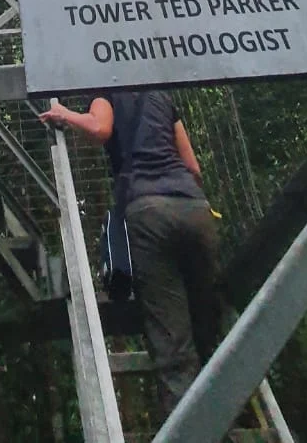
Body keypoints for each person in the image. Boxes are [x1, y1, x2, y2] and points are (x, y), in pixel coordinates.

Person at [40, 89, 220, 416]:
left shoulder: (105, 91)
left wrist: (65, 115)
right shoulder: (162, 98)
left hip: (147, 211)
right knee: (206, 322)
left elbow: (99, 128)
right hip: (194, 208)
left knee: (173, 344)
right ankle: (226, 407)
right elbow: (193, 166)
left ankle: (192, 428)